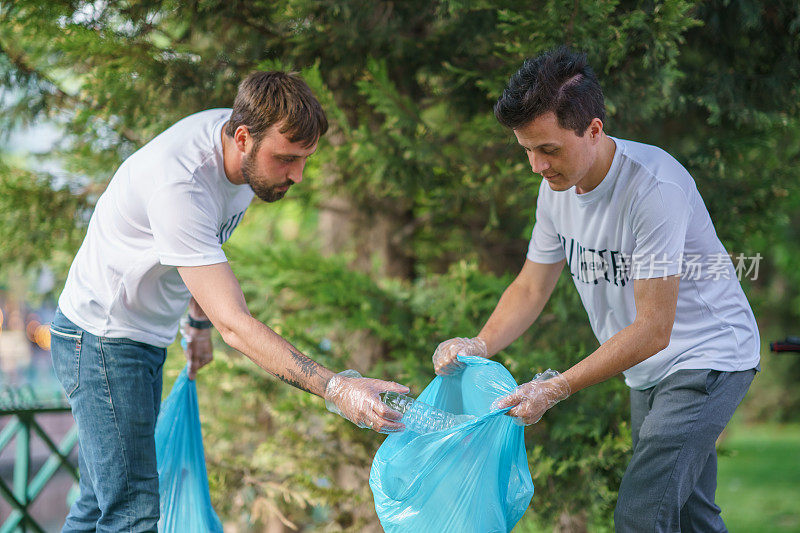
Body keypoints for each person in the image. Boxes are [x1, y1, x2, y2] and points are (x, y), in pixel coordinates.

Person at [49, 71, 408, 532]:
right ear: (242, 137)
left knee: (99, 504)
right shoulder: (179, 182)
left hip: (137, 336)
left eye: (304, 160)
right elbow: (235, 324)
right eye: (287, 159)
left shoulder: (249, 154)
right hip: (101, 339)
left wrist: (196, 324)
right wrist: (338, 388)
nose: (297, 175)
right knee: (131, 513)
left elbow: (204, 254)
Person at [433, 48, 760, 532]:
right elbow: (529, 287)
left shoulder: (653, 188)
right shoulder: (556, 191)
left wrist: (556, 386)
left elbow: (653, 329)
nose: (536, 165)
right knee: (690, 516)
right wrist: (479, 344)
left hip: (707, 355)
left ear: (593, 130)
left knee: (641, 515)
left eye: (548, 149)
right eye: (526, 148)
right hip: (646, 371)